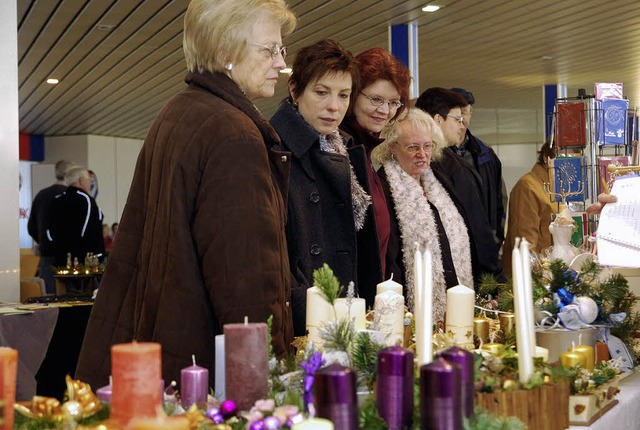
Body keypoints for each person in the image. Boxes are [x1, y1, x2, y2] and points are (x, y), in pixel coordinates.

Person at [75, 0, 297, 390]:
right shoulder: (234, 133)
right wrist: (269, 381)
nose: (281, 62)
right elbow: (245, 284)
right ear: (227, 51)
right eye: (270, 49)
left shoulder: (178, 111)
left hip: (161, 350)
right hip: (203, 371)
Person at [270, 39, 371, 336]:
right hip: (304, 319)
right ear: (295, 90)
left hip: (344, 307)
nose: (334, 106)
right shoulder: (274, 150)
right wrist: (302, 299)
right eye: (321, 92)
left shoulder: (344, 149)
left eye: (344, 95)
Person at [372, 108, 473, 322]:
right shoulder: (383, 188)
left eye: (428, 146)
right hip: (411, 311)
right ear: (391, 148)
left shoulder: (439, 181)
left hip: (454, 301)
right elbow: (389, 259)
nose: (423, 154)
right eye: (413, 147)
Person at [339, 47, 411, 303]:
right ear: (353, 96)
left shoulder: (365, 154)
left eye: (393, 102)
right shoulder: (339, 152)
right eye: (376, 99)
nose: (385, 110)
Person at [415, 87, 504, 283]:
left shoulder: (414, 164)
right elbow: (478, 229)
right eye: (457, 119)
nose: (462, 125)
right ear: (438, 120)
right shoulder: (454, 169)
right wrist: (495, 277)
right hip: (461, 276)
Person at [450, 87, 506, 251]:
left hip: (483, 245)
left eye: (465, 113)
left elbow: (500, 199)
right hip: (452, 245)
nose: (461, 119)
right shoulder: (434, 155)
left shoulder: (486, 154)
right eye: (456, 114)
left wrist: (496, 238)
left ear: (471, 114)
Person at [502, 140, 557, 275]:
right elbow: (525, 244)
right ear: (547, 158)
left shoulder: (554, 188)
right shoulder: (527, 187)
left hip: (550, 273)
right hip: (533, 279)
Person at [28, 159, 73, 293]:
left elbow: (31, 227)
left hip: (47, 254)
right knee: (69, 296)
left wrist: (44, 240)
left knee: (47, 293)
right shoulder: (72, 196)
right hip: (68, 256)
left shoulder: (42, 195)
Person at [46, 165, 105, 268]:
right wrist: (98, 256)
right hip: (84, 261)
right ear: (81, 181)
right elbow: (91, 230)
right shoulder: (86, 200)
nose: (90, 183)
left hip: (60, 258)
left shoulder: (56, 200)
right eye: (88, 180)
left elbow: (49, 230)